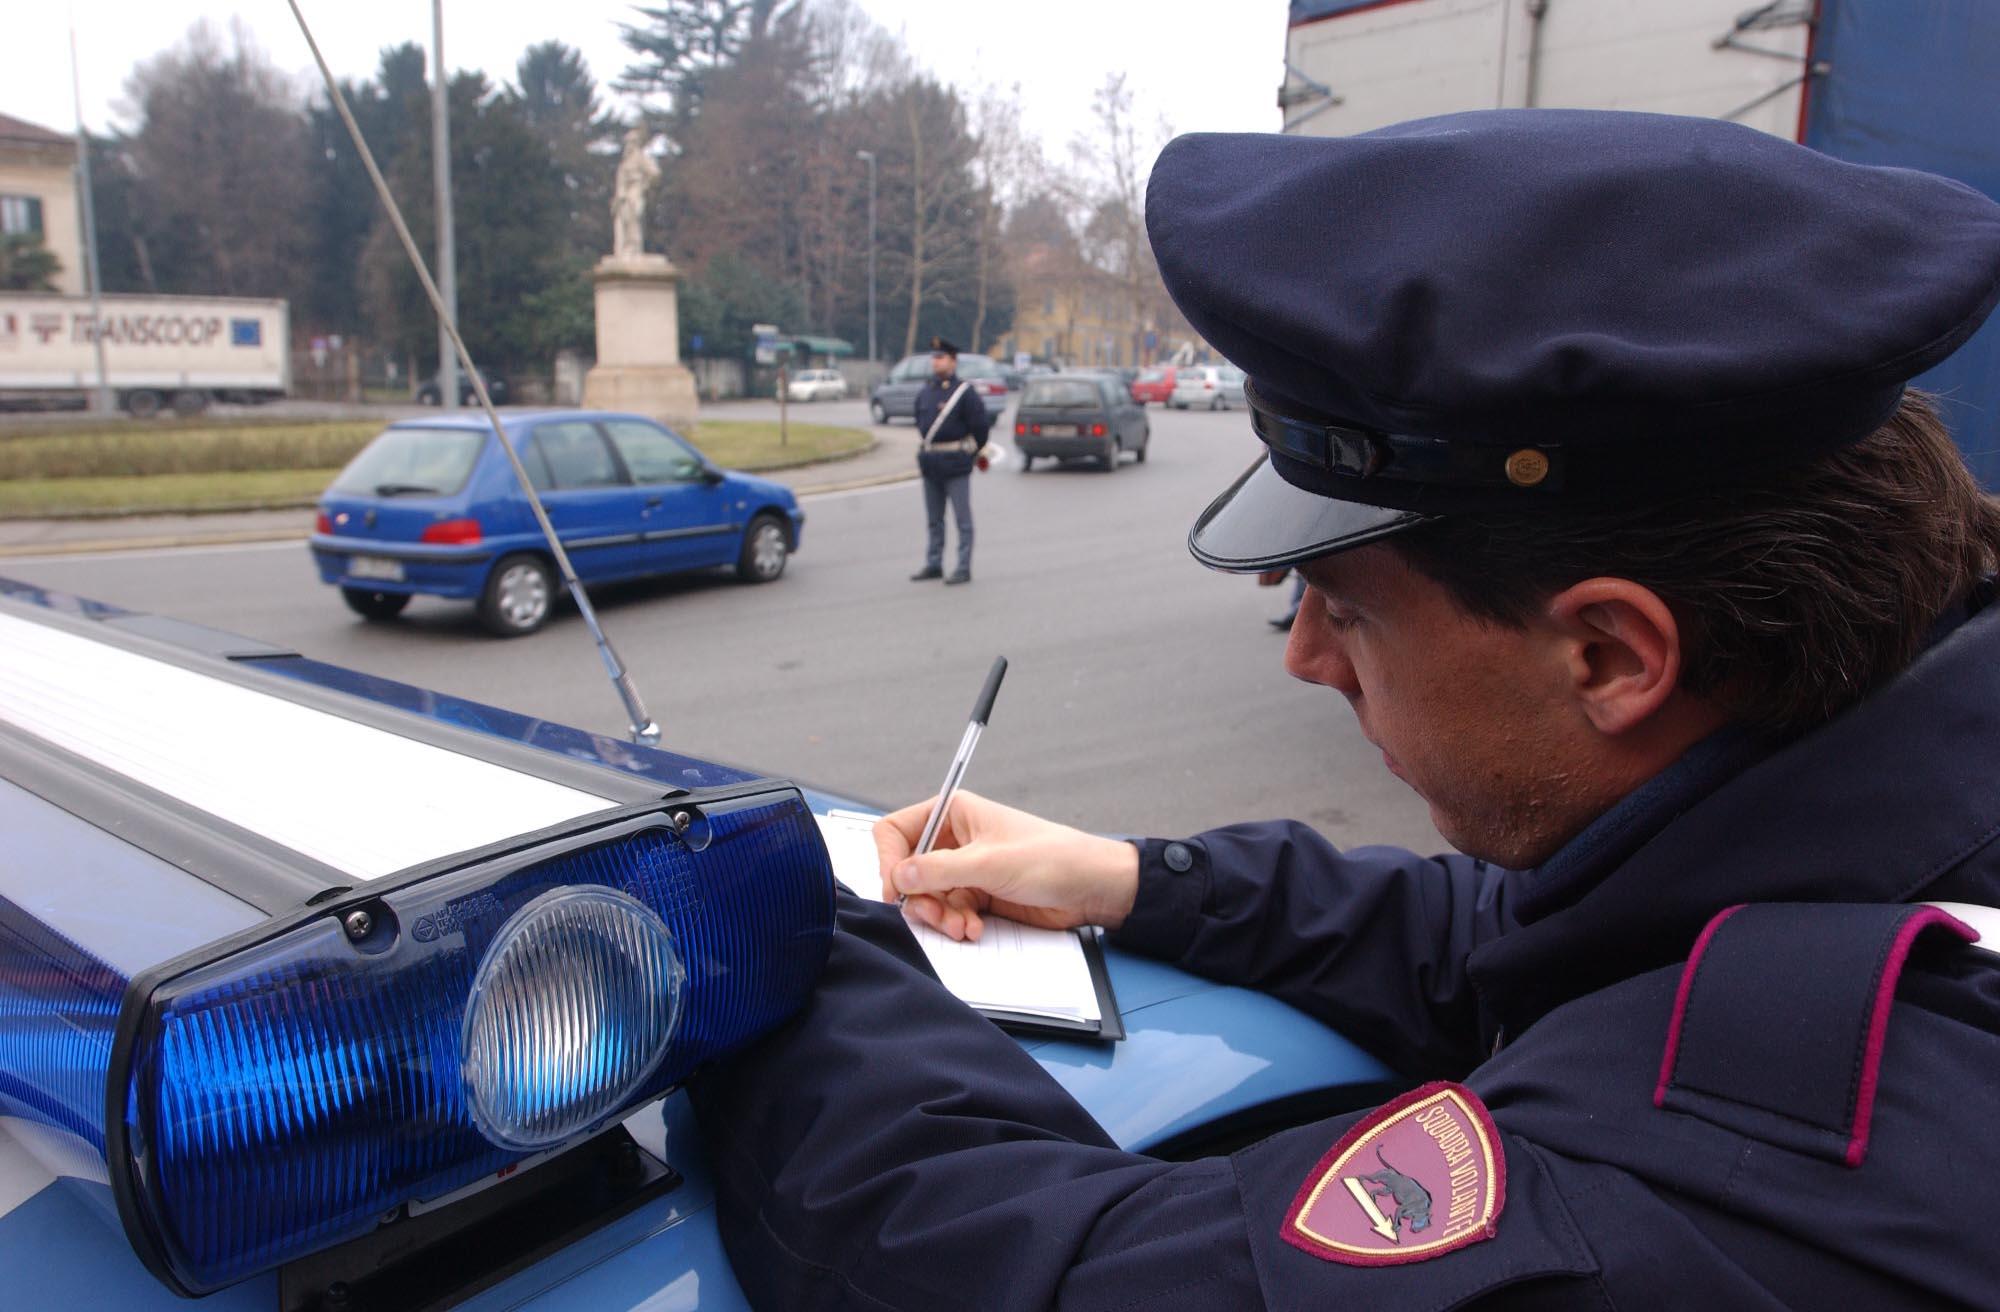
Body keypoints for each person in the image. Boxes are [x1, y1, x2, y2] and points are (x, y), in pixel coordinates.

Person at [689, 110, 2000, 1308]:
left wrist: (772, 948)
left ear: (1606, 656)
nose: (1306, 657)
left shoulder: (1763, 1159)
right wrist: (1136, 880)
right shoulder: (1889, 811)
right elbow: (1554, 932)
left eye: (1345, 606)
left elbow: (1049, 1277)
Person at [909, 336, 991, 585]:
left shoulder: (964, 393)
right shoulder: (926, 391)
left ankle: (963, 567)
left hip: (955, 463)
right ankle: (934, 563)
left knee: (962, 520)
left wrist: (973, 452)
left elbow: (980, 427)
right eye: (934, 357)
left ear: (953, 362)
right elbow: (919, 421)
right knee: (934, 519)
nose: (936, 362)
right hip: (931, 461)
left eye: (940, 357)